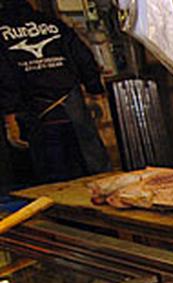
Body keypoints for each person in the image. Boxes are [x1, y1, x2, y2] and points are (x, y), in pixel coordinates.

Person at [0, 0, 110, 183]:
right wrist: (95, 90)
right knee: (93, 171)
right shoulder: (53, 23)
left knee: (53, 181)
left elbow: (4, 76)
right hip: (72, 107)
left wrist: (10, 114)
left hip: (35, 113)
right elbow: (83, 57)